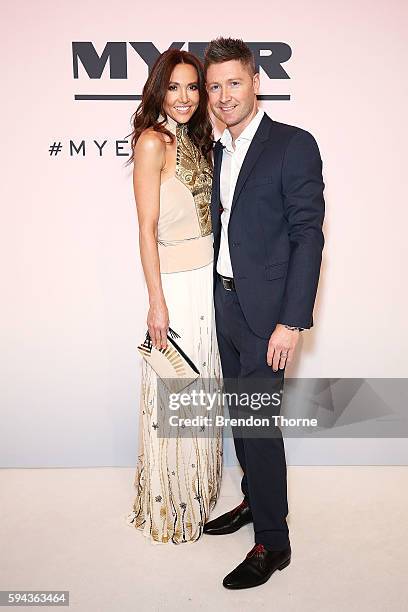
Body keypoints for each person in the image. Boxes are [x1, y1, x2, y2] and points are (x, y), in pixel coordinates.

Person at [203, 37, 325, 588]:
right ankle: (255, 501)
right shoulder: (218, 149)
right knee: (239, 417)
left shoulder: (292, 145)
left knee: (259, 425)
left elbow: (308, 235)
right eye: (215, 86)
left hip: (268, 316)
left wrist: (291, 321)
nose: (224, 95)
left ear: (255, 82)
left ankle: (274, 543)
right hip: (225, 304)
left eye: (234, 82)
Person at [125, 49, 223, 544]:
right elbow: (145, 230)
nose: (185, 98)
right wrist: (156, 301)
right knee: (177, 392)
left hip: (206, 284)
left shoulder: (195, 139)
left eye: (192, 88)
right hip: (177, 288)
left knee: (200, 392)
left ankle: (197, 495)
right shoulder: (152, 142)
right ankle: (169, 506)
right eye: (174, 88)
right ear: (159, 90)